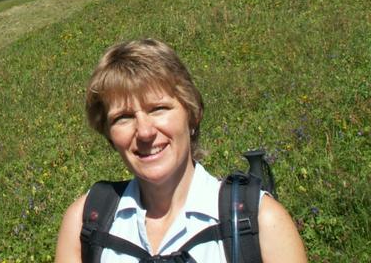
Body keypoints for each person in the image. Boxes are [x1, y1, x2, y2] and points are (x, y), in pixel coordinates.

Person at [55, 39, 307, 262]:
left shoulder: (262, 223)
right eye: (123, 117)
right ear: (109, 134)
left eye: (158, 109)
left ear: (192, 113)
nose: (144, 132)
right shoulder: (85, 223)